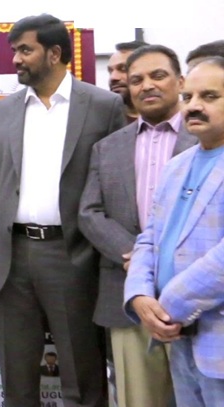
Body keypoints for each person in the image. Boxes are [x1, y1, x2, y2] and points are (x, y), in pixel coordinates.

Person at [0, 13, 126, 407]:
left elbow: (118, 188)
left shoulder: (103, 106)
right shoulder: (6, 110)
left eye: (25, 50)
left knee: (82, 377)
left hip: (74, 256)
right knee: (17, 381)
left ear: (54, 53)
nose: (16, 59)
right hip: (11, 259)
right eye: (14, 51)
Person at [79, 44, 192, 407]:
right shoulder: (107, 148)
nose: (147, 86)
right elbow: (89, 212)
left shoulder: (207, 139)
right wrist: (138, 257)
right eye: (137, 80)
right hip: (127, 295)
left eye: (158, 76)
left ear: (180, 81)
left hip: (200, 300)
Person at [124, 56, 224, 406]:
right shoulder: (176, 166)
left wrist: (167, 307)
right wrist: (139, 296)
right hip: (179, 342)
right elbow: (150, 237)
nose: (193, 106)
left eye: (209, 96)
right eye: (188, 97)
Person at [108, 41, 149, 123]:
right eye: (110, 71)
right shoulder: (105, 120)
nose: (113, 77)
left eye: (123, 69)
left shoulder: (174, 119)